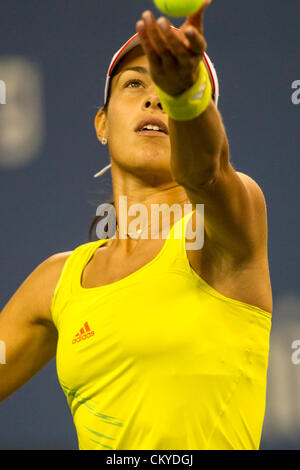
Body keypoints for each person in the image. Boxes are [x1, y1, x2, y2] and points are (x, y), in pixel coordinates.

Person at [0, 1, 272, 450]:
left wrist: (186, 97)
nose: (155, 95)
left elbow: (206, 173)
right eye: (134, 83)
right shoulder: (56, 281)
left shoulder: (226, 229)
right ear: (102, 124)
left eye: (172, 87)